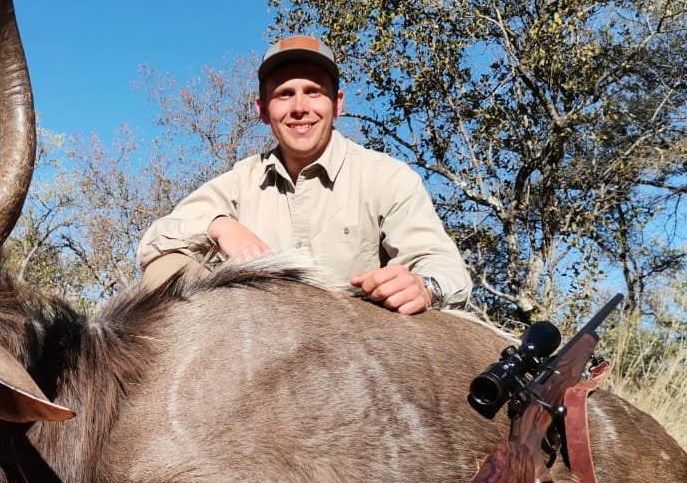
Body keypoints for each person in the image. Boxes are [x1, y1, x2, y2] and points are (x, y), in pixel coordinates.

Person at [136, 35, 473, 314]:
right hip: (261, 354)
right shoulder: (240, 181)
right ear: (263, 111)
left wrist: (422, 286)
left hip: (360, 357)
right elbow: (155, 242)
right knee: (165, 269)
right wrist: (220, 226)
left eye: (313, 91)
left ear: (337, 104)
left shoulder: (386, 176)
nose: (299, 107)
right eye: (284, 94)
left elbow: (446, 269)